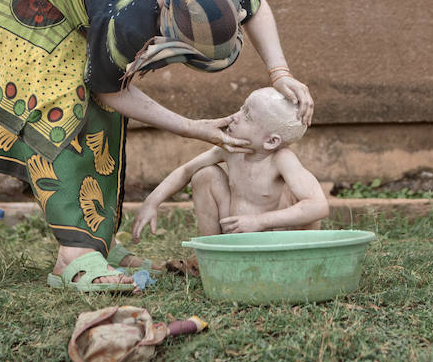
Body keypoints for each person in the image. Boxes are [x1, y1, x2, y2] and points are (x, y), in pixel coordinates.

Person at [0, 0, 313, 291]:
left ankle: (98, 240)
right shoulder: (126, 20)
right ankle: (73, 255)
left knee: (105, 111)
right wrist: (192, 127)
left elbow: (257, 5)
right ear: (163, 34)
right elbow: (108, 90)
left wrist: (279, 72)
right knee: (67, 109)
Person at [131, 87, 328, 245]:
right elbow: (186, 171)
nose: (235, 116)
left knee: (304, 196)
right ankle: (213, 252)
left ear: (271, 141)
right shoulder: (231, 149)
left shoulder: (281, 159)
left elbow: (318, 206)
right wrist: (152, 202)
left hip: (272, 239)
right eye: (242, 108)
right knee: (204, 174)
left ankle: (302, 257)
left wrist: (259, 222)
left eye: (247, 116)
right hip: (233, 232)